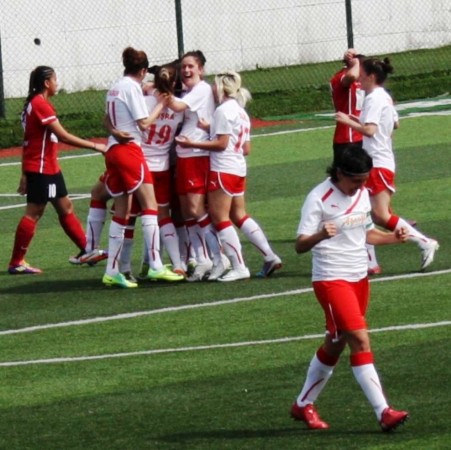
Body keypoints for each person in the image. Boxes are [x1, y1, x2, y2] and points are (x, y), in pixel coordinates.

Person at [291, 146, 409, 431]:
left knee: (336, 342)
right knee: (359, 339)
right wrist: (321, 234)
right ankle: (383, 412)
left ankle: (303, 404)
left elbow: (367, 233)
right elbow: (300, 245)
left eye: (365, 180)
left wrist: (393, 238)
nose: (361, 186)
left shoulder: (362, 194)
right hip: (331, 278)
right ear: (340, 173)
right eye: (356, 180)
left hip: (358, 277)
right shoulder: (318, 198)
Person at [176, 71, 282, 281]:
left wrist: (192, 143)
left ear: (221, 88)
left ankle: (238, 266)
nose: (213, 90)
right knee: (239, 215)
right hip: (238, 169)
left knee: (220, 218)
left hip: (223, 169)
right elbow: (246, 148)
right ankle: (269, 256)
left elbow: (221, 144)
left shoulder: (222, 111)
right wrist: (211, 128)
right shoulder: (241, 112)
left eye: (215, 86)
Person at [336, 57, 439, 272]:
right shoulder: (383, 96)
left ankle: (424, 242)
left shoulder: (374, 98)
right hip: (380, 160)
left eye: (362, 75)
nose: (359, 80)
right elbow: (395, 124)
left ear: (371, 77)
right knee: (368, 213)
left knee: (379, 215)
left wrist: (348, 121)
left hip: (377, 162)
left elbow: (370, 130)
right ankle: (369, 262)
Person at [8, 65, 106, 275]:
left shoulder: (33, 104)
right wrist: (96, 146)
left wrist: (24, 173)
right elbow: (63, 136)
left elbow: (27, 141)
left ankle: (87, 251)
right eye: (55, 80)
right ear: (46, 83)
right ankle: (16, 262)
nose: (57, 83)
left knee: (66, 207)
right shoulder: (40, 104)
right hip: (42, 168)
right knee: (34, 213)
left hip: (47, 167)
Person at [102, 46, 184, 288]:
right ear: (143, 70)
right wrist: (161, 104)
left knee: (122, 212)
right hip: (129, 151)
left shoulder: (115, 86)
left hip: (113, 149)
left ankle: (112, 271)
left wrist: (115, 131)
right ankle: (156, 265)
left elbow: (106, 118)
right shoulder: (132, 88)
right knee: (151, 206)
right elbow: (144, 123)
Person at [167, 50, 224, 282]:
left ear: (201, 69)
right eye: (183, 67)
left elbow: (177, 107)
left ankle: (218, 257)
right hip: (185, 155)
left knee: (196, 208)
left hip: (197, 154)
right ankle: (202, 259)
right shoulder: (191, 91)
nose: (186, 70)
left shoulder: (201, 89)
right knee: (186, 211)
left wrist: (160, 89)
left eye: (191, 66)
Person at [330, 49, 382, 274]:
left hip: (358, 139)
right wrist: (353, 62)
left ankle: (382, 220)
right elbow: (350, 76)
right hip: (346, 140)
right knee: (351, 194)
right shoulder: (341, 77)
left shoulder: (366, 85)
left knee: (359, 196)